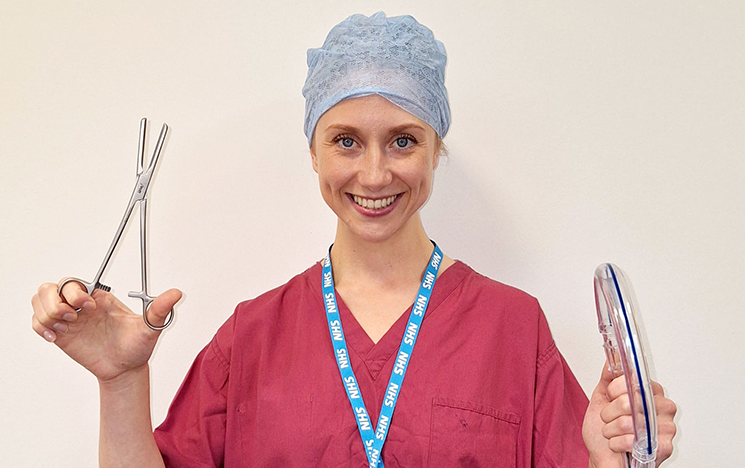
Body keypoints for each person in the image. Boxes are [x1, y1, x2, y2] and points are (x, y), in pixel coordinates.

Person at [31, 12, 677, 468]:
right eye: (345, 140)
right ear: (312, 151)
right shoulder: (251, 339)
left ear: (435, 150)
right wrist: (120, 384)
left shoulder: (512, 329)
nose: (373, 174)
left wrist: (603, 460)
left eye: (402, 139)